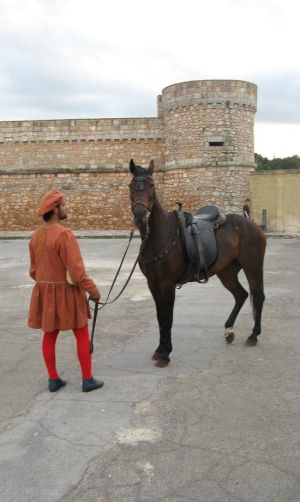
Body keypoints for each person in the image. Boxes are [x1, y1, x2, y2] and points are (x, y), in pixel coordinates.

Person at [28, 190, 104, 393]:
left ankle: (53, 379)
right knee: (80, 333)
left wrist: (47, 284)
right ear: (55, 209)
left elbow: (33, 271)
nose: (66, 208)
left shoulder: (35, 236)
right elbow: (77, 273)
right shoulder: (64, 235)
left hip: (45, 293)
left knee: (49, 335)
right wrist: (93, 291)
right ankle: (87, 380)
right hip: (67, 293)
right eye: (64, 205)